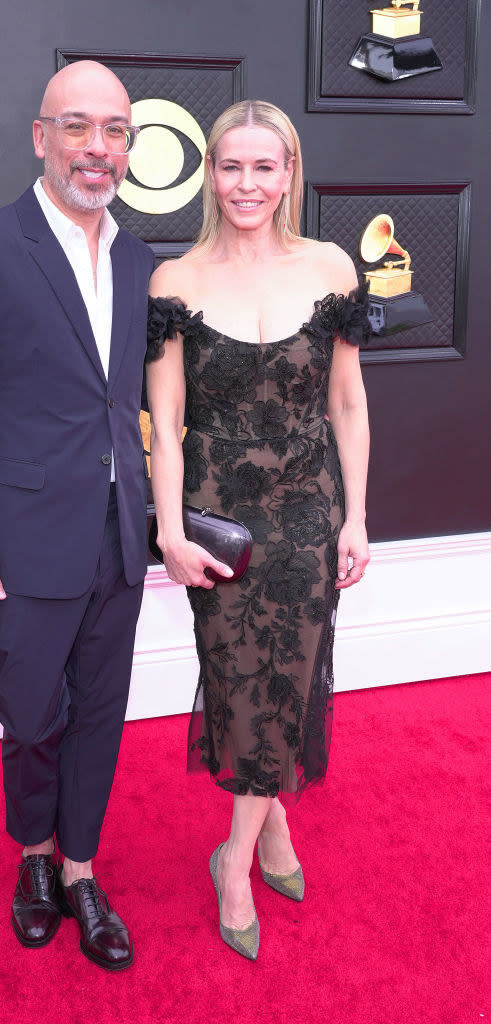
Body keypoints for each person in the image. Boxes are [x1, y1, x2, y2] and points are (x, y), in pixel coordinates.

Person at [0, 61, 155, 971]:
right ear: (40, 137)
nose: (96, 148)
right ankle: (32, 857)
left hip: (119, 534)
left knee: (101, 711)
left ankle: (82, 871)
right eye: (78, 127)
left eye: (114, 131)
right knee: (32, 712)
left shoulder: (140, 260)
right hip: (20, 538)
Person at [145, 100, 370, 960]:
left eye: (263, 167)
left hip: (308, 507)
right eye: (230, 167)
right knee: (240, 680)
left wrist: (357, 515)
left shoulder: (330, 265)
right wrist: (168, 528)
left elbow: (346, 401)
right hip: (219, 519)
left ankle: (233, 856)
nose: (247, 183)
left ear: (289, 175)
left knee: (290, 675)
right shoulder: (176, 279)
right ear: (210, 174)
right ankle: (269, 830)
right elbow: (164, 423)